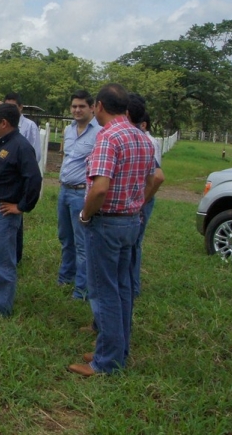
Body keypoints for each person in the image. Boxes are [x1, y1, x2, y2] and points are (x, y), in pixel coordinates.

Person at [67, 84, 157, 377]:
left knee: (104, 291)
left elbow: (100, 188)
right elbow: (152, 179)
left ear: (100, 107)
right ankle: (117, 349)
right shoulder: (141, 137)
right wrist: (136, 204)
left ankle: (106, 362)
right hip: (131, 221)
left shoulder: (108, 137)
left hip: (106, 223)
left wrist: (85, 214)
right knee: (122, 290)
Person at [0, 103, 42, 316]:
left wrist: (21, 206)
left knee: (2, 263)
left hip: (0, 214)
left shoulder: (20, 146)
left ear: (4, 123)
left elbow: (34, 178)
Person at [56, 90, 101, 301]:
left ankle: (81, 289)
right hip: (64, 190)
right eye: (74, 106)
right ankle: (66, 276)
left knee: (82, 242)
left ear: (92, 107)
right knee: (65, 237)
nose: (77, 110)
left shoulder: (100, 132)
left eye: (81, 106)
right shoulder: (69, 130)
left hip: (82, 192)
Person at [126, 94, 165, 299]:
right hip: (139, 197)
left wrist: (142, 201)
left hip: (141, 198)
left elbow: (157, 177)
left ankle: (132, 287)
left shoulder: (146, 141)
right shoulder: (143, 139)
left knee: (133, 244)